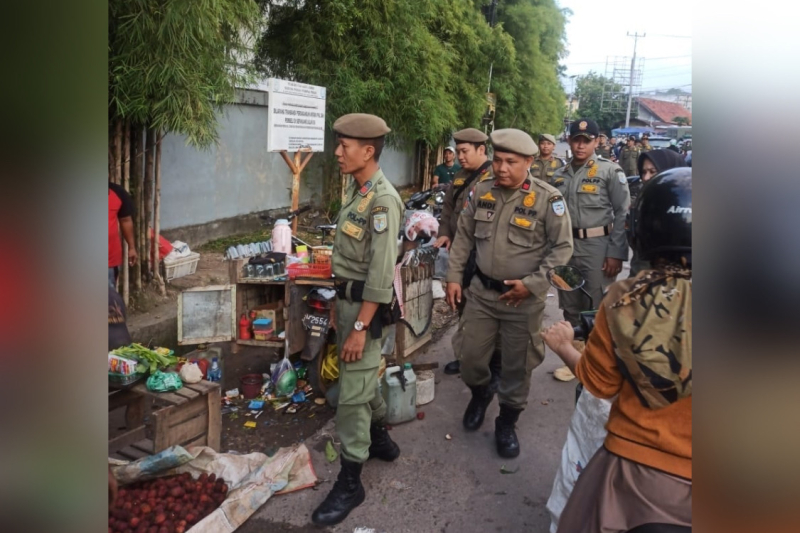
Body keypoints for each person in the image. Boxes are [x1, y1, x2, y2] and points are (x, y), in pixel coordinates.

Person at [542, 167, 692, 533]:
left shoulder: (627, 297)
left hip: (638, 473)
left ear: (641, 230)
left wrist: (563, 346)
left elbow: (600, 384)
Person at [445, 129, 573, 458]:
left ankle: (507, 421)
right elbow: (463, 238)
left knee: (517, 367)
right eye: (498, 160)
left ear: (529, 162)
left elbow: (562, 249)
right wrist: (454, 276)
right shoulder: (482, 191)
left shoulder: (548, 199)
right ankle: (481, 392)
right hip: (481, 296)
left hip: (522, 301)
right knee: (470, 359)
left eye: (510, 162)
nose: (501, 168)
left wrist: (532, 284)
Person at [311, 113, 404, 526]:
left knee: (350, 398)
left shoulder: (383, 200)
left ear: (368, 151)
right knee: (362, 381)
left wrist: (361, 328)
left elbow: (381, 276)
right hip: (349, 304)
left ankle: (351, 479)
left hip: (367, 311)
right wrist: (338, 308)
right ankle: (381, 434)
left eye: (344, 146)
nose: (337, 152)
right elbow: (349, 261)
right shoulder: (358, 190)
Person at [549, 118, 630, 380]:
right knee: (570, 303)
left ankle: (597, 362)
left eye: (587, 140)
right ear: (570, 140)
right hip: (566, 247)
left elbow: (622, 212)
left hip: (598, 247)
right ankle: (575, 358)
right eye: (576, 139)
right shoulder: (559, 176)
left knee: (596, 305)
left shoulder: (609, 171)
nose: (581, 145)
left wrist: (616, 252)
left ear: (596, 141)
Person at [434, 128, 501, 380]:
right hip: (460, 251)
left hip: (483, 253)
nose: (460, 156)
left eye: (465, 151)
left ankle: (490, 359)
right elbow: (448, 207)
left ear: (481, 150)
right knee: (461, 304)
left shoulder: (494, 175)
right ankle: (465, 356)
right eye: (458, 151)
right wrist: (445, 232)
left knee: (484, 306)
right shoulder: (460, 177)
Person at [628, 150, 687, 277]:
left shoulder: (686, 206)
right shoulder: (642, 203)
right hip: (640, 280)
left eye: (652, 171)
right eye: (643, 172)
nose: (646, 177)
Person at [108, 182, 138, 288]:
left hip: (109, 261)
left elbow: (125, 220)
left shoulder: (117, 192)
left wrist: (132, 247)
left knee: (108, 299)